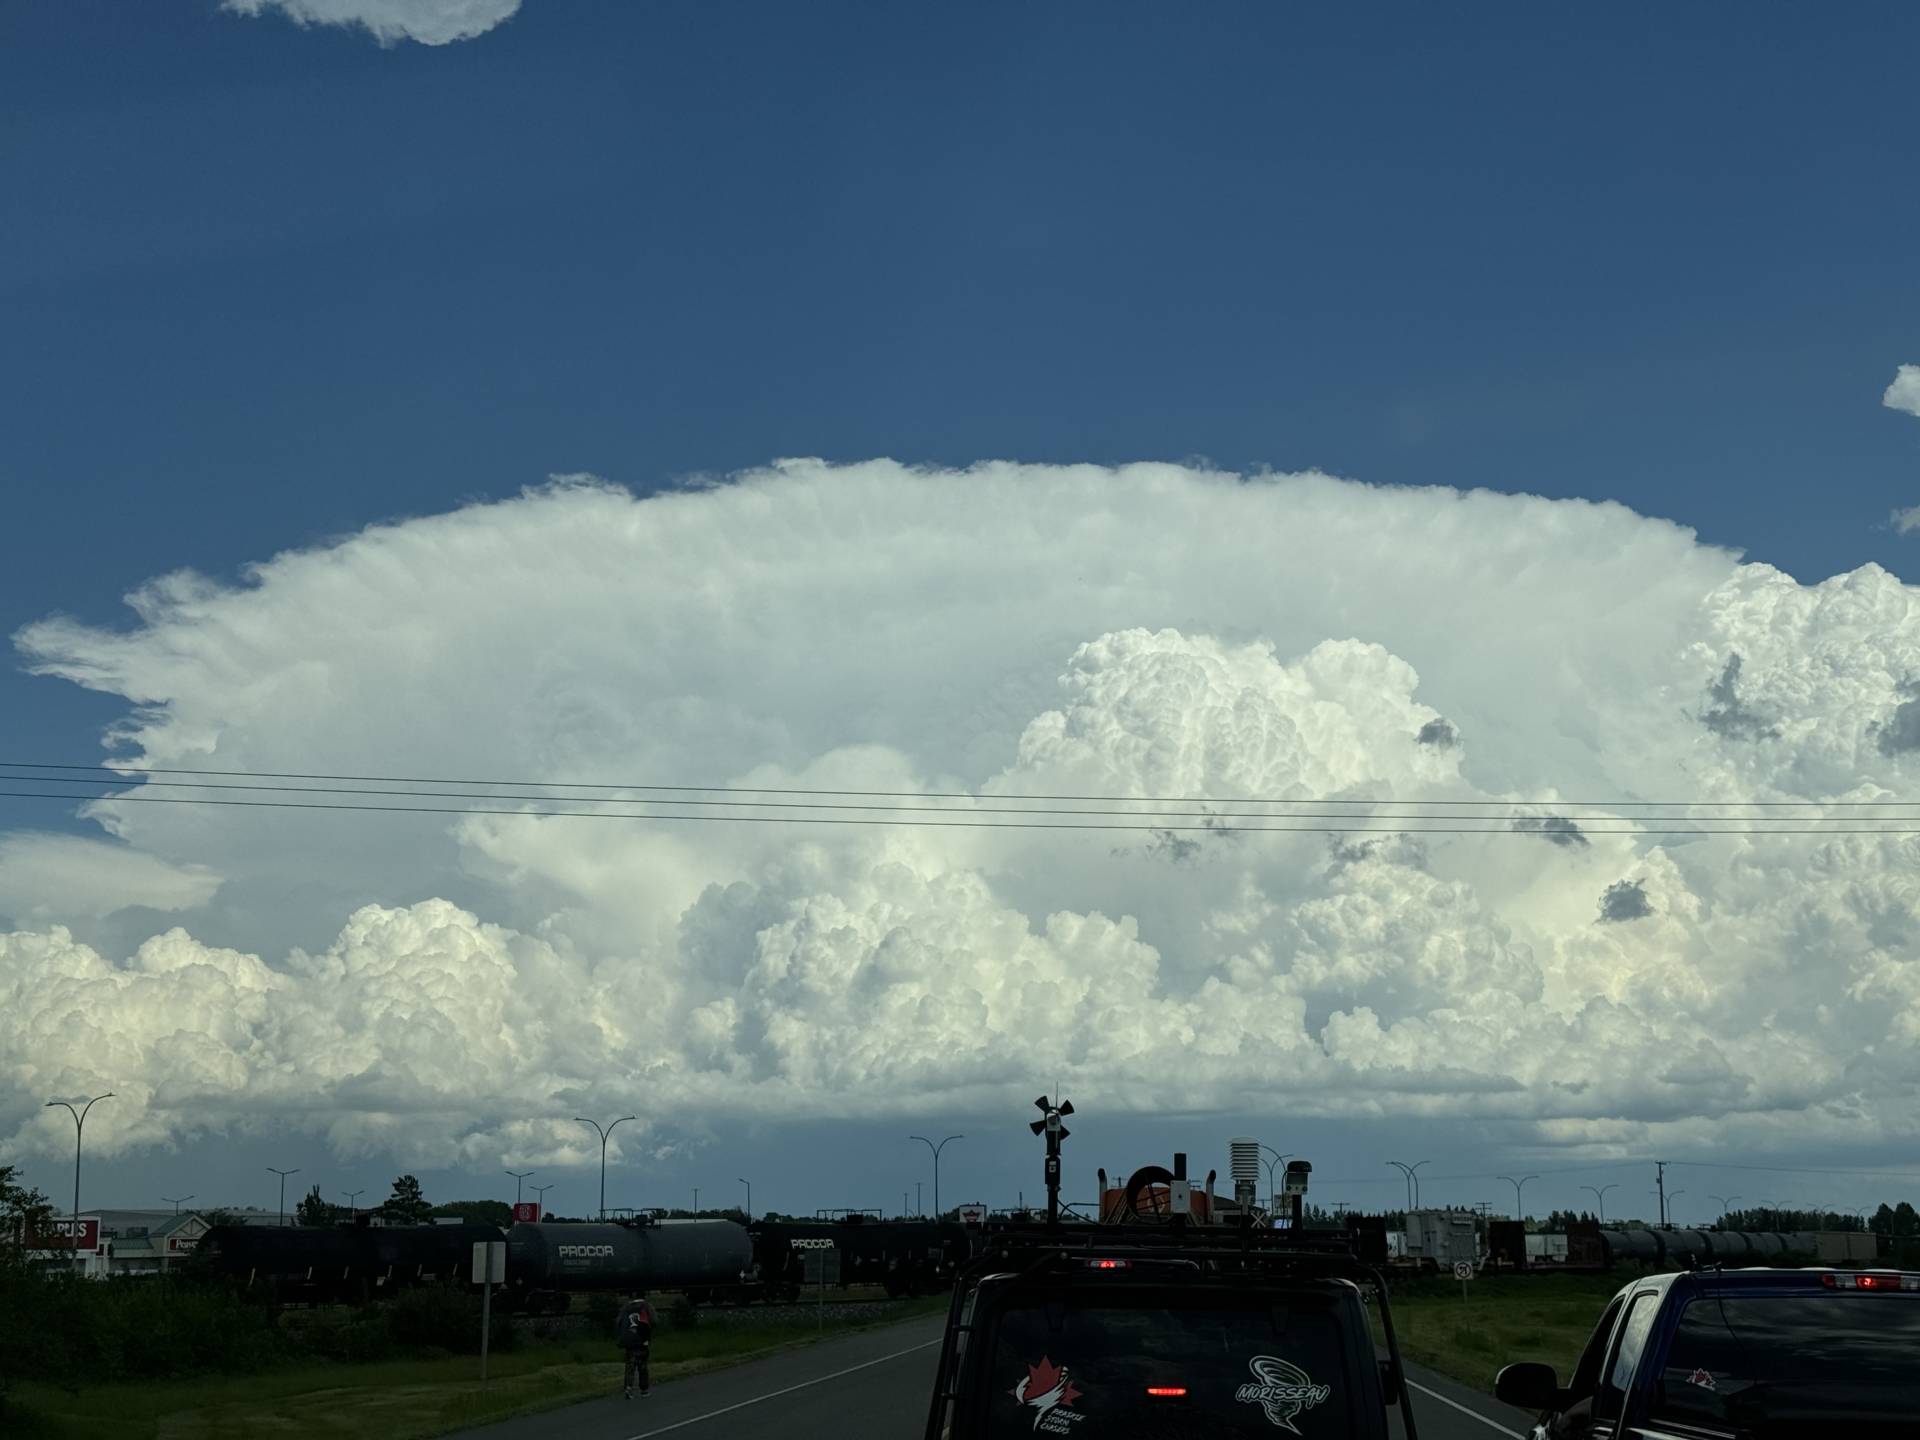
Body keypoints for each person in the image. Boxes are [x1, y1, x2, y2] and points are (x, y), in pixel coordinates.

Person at [615, 1290, 656, 1399]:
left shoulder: (626, 1308)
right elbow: (654, 1321)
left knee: (630, 1365)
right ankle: (644, 1390)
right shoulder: (647, 1306)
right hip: (642, 1339)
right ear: (644, 1296)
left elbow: (618, 1322)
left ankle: (628, 1387)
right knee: (642, 1366)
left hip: (629, 1340)